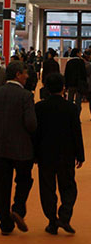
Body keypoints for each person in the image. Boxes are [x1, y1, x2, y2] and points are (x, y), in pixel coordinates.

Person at [0, 61, 37, 235]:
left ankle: (5, 223)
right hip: (22, 148)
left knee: (1, 187)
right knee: (24, 180)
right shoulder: (26, 96)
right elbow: (31, 124)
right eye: (25, 73)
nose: (27, 76)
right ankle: (18, 208)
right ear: (18, 75)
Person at [35, 73, 85, 234]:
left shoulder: (39, 108)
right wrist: (80, 155)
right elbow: (76, 132)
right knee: (69, 187)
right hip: (66, 154)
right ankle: (64, 216)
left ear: (46, 88)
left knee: (47, 188)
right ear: (63, 88)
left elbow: (35, 133)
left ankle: (52, 221)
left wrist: (34, 153)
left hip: (45, 153)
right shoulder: (71, 108)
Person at [64, 48, 87, 115]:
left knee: (70, 100)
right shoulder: (81, 62)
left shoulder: (69, 62)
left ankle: (69, 115)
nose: (80, 54)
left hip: (71, 84)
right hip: (79, 84)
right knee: (78, 101)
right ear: (77, 53)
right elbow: (84, 74)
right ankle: (77, 115)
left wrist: (66, 85)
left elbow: (66, 74)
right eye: (80, 52)